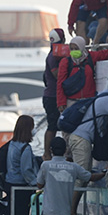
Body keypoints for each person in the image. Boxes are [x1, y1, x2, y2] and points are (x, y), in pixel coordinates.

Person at [67, 88, 108, 215]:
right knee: (81, 177)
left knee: (82, 177)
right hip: (82, 140)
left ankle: (71, 212)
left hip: (79, 138)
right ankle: (71, 214)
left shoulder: (99, 99)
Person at [5, 115, 39, 215]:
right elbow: (27, 171)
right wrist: (36, 184)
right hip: (21, 187)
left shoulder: (12, 144)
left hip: (10, 184)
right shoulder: (26, 148)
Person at [56, 36, 108, 110]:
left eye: (76, 48)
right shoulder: (65, 62)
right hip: (72, 102)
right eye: (72, 49)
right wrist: (61, 103)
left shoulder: (90, 57)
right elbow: (60, 83)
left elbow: (103, 54)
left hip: (89, 101)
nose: (74, 51)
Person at [42, 28, 66, 160]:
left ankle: (52, 153)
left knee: (56, 125)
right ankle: (47, 153)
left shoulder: (54, 55)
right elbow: (57, 75)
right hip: (52, 96)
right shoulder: (53, 57)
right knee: (52, 126)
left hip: (53, 95)